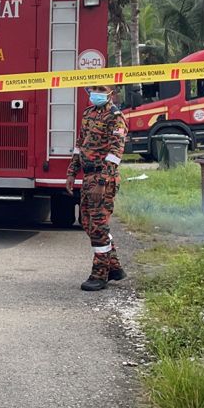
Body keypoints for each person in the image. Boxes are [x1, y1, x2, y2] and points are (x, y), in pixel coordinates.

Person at [65, 85, 129, 292]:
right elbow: (80, 144)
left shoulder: (116, 117)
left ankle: (100, 274)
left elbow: (115, 151)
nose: (96, 94)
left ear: (111, 93)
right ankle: (115, 266)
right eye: (93, 90)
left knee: (98, 226)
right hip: (88, 175)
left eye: (101, 90)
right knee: (86, 222)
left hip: (104, 177)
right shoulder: (88, 114)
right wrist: (71, 171)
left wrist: (103, 181)